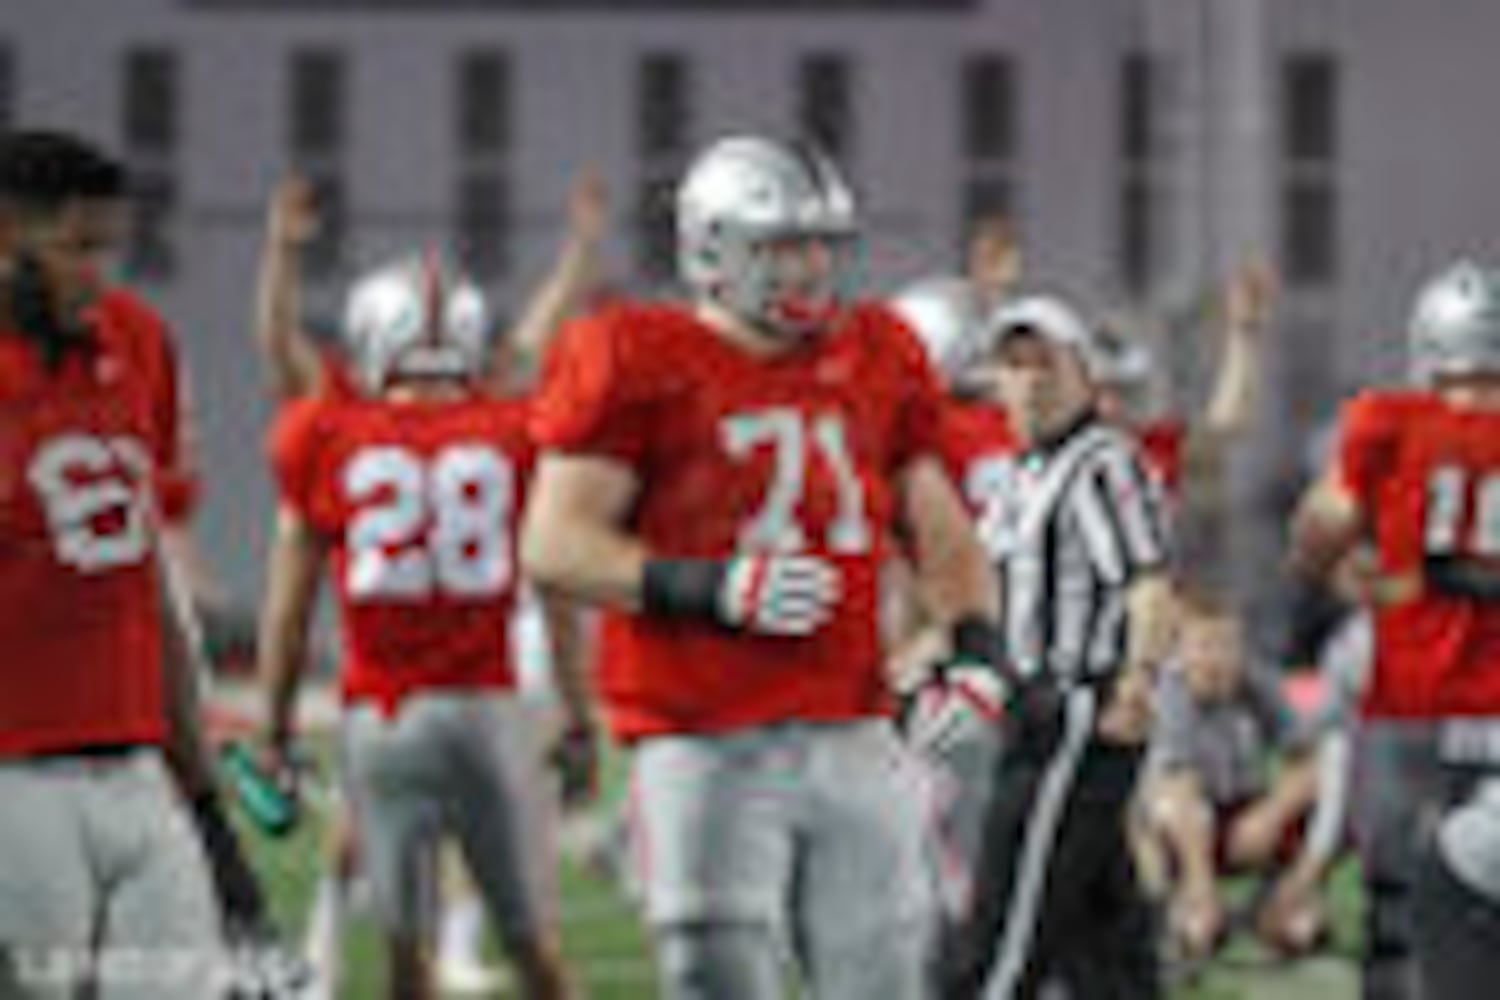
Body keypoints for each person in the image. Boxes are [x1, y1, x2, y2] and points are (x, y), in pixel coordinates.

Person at [520, 134, 1003, 1000]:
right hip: (701, 734)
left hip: (855, 724)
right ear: (711, 248)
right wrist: (710, 587)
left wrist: (976, 650)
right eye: (783, 248)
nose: (812, 269)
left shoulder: (880, 349)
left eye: (822, 245)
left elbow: (941, 529)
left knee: (888, 974)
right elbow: (554, 542)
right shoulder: (634, 354)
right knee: (717, 971)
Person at [252, 169, 607, 997]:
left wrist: (272, 727)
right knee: (538, 955)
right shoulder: (513, 431)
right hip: (488, 712)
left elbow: (288, 607)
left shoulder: (331, 431)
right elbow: (553, 590)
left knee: (405, 967)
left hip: (381, 716)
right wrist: (581, 716)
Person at [0, 129, 241, 998]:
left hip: (137, 763)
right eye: (77, 247)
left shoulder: (136, 341)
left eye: (109, 245)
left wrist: (204, 794)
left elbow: (150, 579)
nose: (99, 273)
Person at [937, 292, 1175, 1000]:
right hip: (1032, 712)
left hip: (1075, 711)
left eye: (1048, 362)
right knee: (1105, 939)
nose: (1031, 379)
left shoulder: (1102, 461)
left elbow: (1147, 579)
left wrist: (1136, 680)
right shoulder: (1020, 474)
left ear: (1084, 374)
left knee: (1006, 928)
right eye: (1014, 364)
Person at [1291, 260, 1500, 999]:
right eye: (1464, 381)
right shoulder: (1387, 431)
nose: (1476, 399)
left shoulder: (1390, 426)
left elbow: (1318, 536)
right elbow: (1317, 540)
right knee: (1397, 903)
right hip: (1413, 696)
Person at [1135, 589, 1332, 960]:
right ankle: (1191, 907)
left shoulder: (1256, 684)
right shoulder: (1169, 695)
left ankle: (1286, 904)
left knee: (1325, 802)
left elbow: (1314, 761)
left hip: (1244, 810)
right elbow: (1177, 785)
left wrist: (1271, 814)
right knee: (1177, 812)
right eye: (1205, 645)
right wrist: (1202, 880)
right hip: (1181, 827)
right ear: (1182, 651)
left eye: (1227, 645)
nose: (1218, 659)